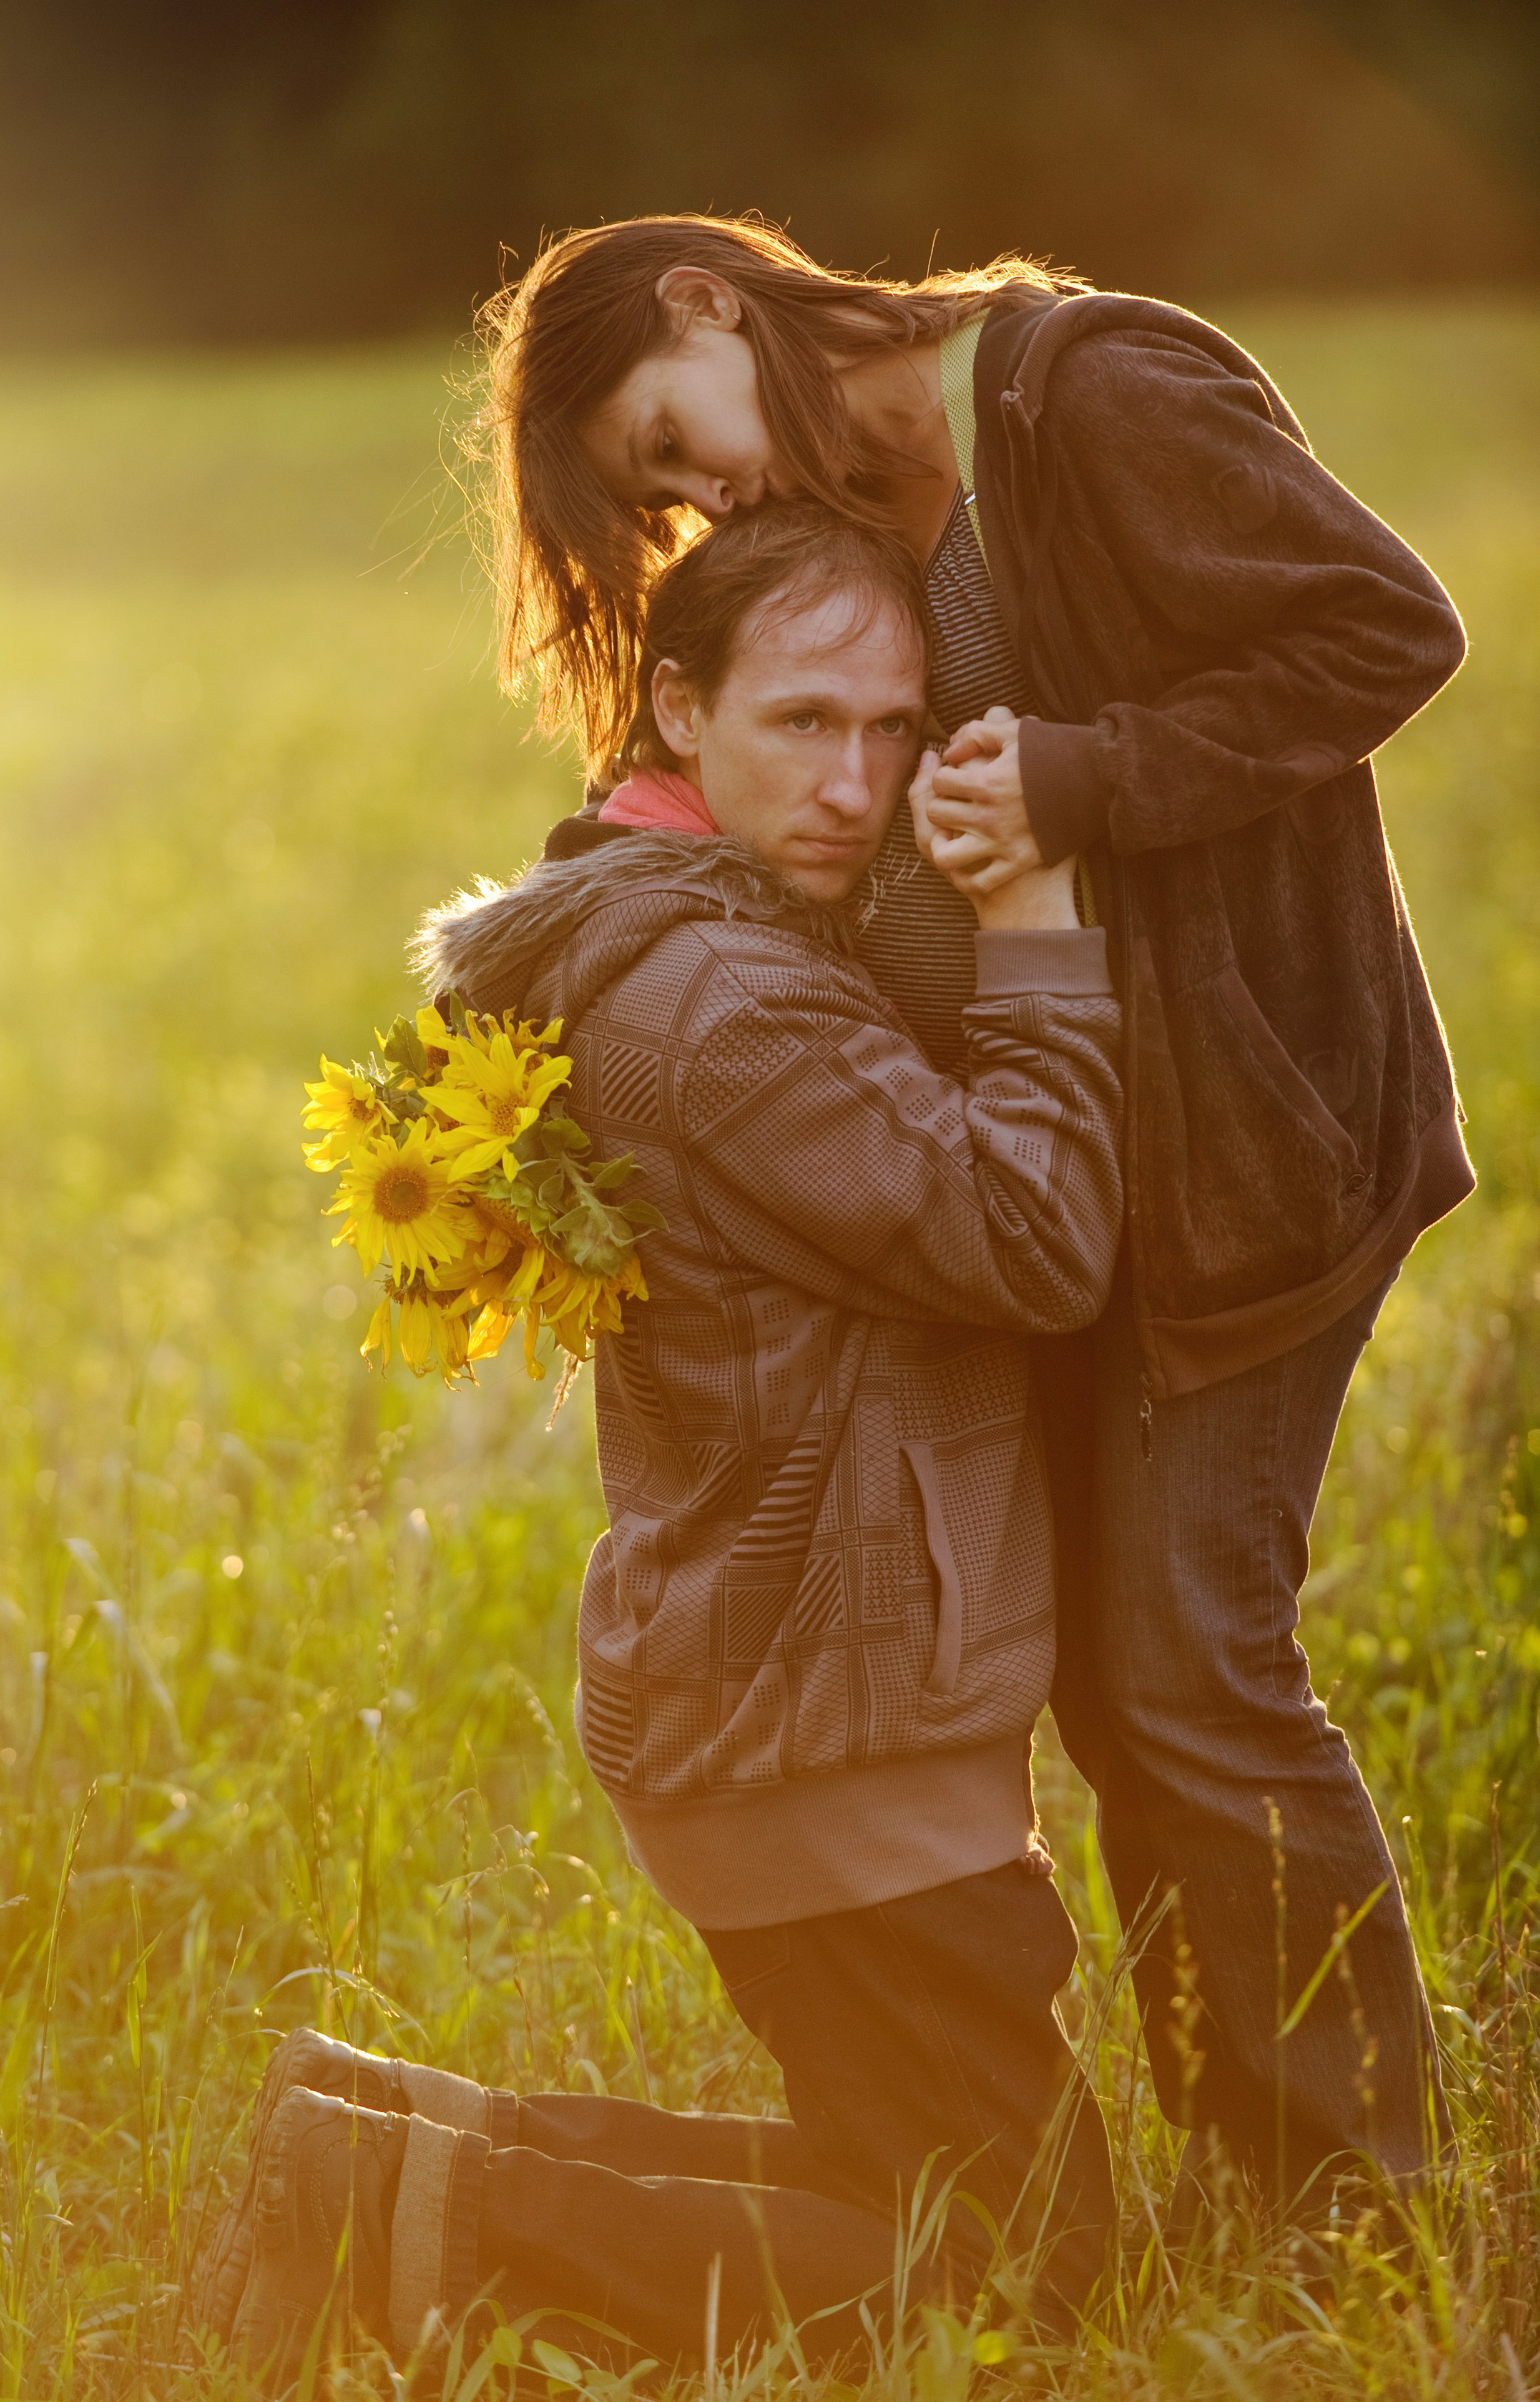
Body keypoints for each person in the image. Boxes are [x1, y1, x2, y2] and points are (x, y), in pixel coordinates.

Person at [468, 214, 1473, 2208]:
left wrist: (1084, 788)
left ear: (705, 298)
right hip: (1076, 1168)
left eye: (674, 446)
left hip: (1247, 1160)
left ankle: (1363, 2210)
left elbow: (1386, 632)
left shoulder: (1084, 389)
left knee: (1190, 1673)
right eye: (669, 499)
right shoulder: (853, 511)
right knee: (1119, 1688)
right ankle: (1248, 2166)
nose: (708, 498)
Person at [204, 505, 1124, 2382]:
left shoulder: (687, 926)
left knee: (920, 2189)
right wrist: (1036, 921)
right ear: (681, 709)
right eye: (805, 723)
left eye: (892, 729)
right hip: (823, 1721)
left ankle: (384, 2147)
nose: (858, 781)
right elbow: (1034, 1240)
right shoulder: (722, 1002)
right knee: (1020, 2276)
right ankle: (374, 2207)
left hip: (799, 1687)